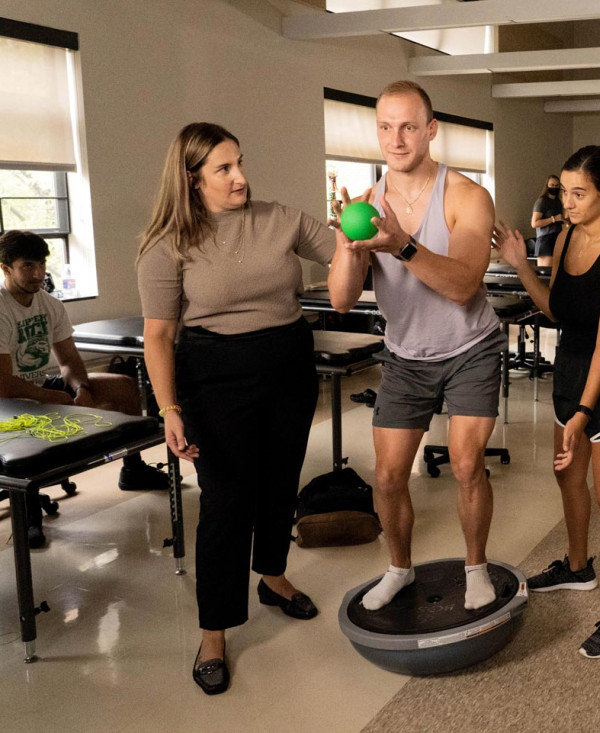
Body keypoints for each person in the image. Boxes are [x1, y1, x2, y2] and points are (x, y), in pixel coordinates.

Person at [137, 122, 335, 695]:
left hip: (289, 363)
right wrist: (169, 409)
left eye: (240, 163)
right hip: (213, 375)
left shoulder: (281, 218)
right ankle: (214, 631)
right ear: (192, 179)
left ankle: (273, 577)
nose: (240, 177)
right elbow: (157, 336)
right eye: (223, 169)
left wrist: (365, 224)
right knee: (226, 501)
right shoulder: (167, 243)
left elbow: (346, 252)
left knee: (279, 484)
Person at [327, 80, 504, 616]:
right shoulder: (364, 206)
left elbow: (464, 284)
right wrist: (350, 245)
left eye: (407, 126)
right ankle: (399, 569)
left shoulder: (468, 196)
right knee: (386, 476)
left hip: (471, 345)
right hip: (405, 354)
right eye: (385, 126)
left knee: (467, 463)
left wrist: (400, 243)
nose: (396, 138)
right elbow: (340, 300)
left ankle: (475, 567)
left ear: (430, 130)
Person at [494, 145, 600, 658]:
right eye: (565, 192)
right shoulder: (563, 238)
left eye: (581, 193)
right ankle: (578, 566)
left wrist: (583, 412)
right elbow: (557, 311)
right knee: (566, 474)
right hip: (570, 370)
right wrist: (520, 264)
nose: (570, 202)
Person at [0, 230, 170, 548]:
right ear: (6, 267)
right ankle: (28, 518)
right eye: (27, 266)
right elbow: (4, 385)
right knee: (32, 418)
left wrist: (79, 387)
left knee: (122, 386)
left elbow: (67, 359)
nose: (38, 274)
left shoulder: (49, 304)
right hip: (6, 399)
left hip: (38, 386)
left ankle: (132, 469)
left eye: (41, 264)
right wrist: (58, 398)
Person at [531, 174, 565, 268]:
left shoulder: (558, 201)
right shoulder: (542, 201)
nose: (554, 187)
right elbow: (534, 223)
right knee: (546, 274)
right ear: (547, 186)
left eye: (557, 185)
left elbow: (560, 219)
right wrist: (553, 219)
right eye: (552, 185)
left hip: (557, 238)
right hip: (545, 240)